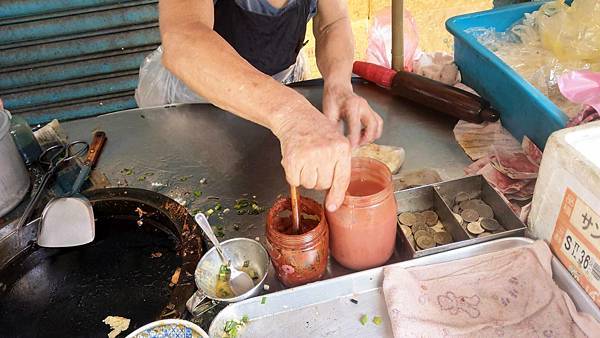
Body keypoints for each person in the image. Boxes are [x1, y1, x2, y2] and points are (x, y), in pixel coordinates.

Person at [146, 0, 384, 212]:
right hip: (196, 100)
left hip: (282, 93)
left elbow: (332, 22)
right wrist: (292, 114)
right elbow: (183, 39)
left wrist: (338, 83)